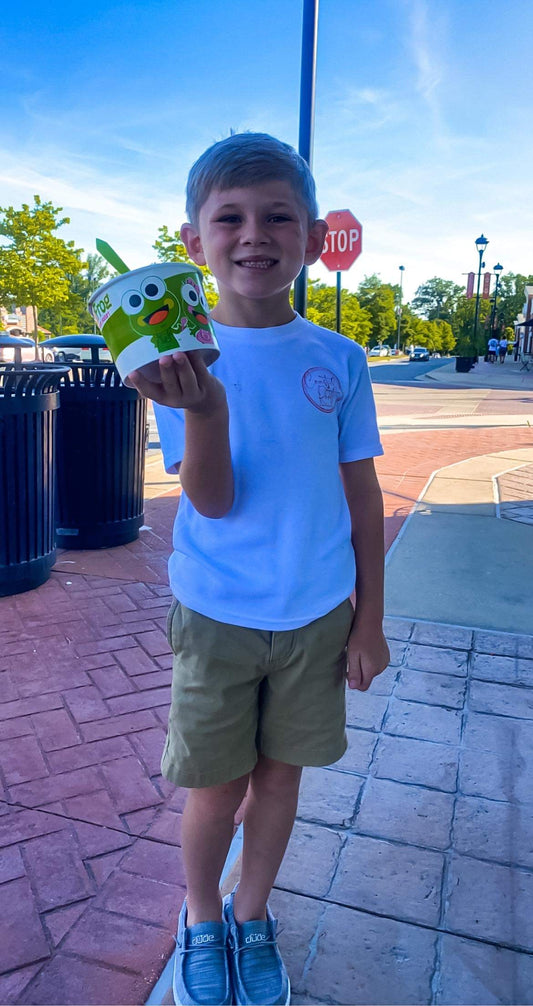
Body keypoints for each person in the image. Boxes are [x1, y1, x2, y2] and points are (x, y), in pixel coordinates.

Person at [129, 132, 389, 1006]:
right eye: (229, 218)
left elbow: (362, 499)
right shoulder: (181, 362)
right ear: (194, 241)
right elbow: (210, 500)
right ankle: (200, 916)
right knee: (216, 785)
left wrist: (368, 618)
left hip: (316, 615)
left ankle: (252, 913)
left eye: (278, 215)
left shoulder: (339, 361)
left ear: (312, 238)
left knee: (281, 778)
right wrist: (205, 410)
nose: (254, 234)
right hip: (217, 617)